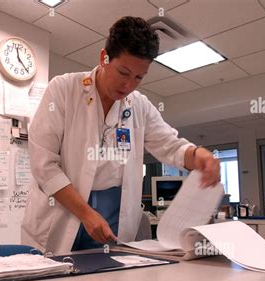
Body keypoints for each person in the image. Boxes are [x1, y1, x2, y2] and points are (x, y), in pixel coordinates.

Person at [21, 16, 220, 254]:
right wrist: (86, 213)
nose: (128, 85)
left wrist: (198, 155)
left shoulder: (139, 105)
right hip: (63, 213)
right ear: (104, 58)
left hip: (112, 220)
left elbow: (171, 145)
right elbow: (44, 165)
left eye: (138, 77)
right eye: (123, 72)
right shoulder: (63, 90)